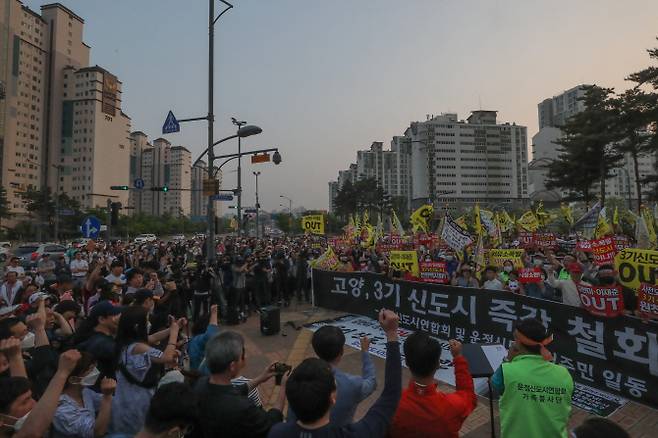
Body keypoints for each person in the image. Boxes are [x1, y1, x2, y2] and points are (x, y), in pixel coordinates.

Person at [268, 309, 401, 438]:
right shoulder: (351, 385)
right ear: (332, 398)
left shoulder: (277, 432)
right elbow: (387, 391)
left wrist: (283, 388)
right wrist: (388, 335)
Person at [491, 318, 574, 438]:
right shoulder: (564, 374)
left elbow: (495, 385)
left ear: (518, 343)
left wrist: (508, 360)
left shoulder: (506, 371)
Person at [108, 306, 182, 437]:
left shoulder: (125, 342)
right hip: (137, 400)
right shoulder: (138, 347)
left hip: (122, 397)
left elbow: (152, 337)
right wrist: (174, 334)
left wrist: (171, 328)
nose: (148, 323)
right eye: (145, 320)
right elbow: (167, 357)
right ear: (137, 326)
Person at [196, 331, 286, 438]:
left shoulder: (201, 384)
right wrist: (284, 387)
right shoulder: (243, 408)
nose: (245, 356)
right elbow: (271, 423)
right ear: (232, 366)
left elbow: (234, 391)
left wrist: (260, 378)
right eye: (242, 354)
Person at [389, 335, 476, 438]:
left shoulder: (391, 404)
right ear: (438, 364)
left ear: (407, 362)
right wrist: (458, 357)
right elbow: (468, 395)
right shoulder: (451, 406)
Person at [287, 326, 376, 426]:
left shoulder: (299, 377)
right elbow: (371, 382)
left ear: (315, 349)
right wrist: (365, 352)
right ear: (341, 351)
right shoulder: (352, 384)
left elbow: (291, 416)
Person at [52, 351, 117, 438]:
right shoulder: (62, 409)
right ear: (74, 380)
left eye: (95, 368)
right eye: (91, 370)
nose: (95, 372)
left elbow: (112, 403)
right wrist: (107, 396)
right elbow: (96, 433)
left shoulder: (84, 392)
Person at [76, 301, 122, 386]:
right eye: (114, 315)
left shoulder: (93, 338)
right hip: (100, 392)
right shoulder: (102, 344)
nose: (118, 319)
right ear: (102, 319)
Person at [188, 304, 219, 371]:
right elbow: (211, 335)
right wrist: (214, 314)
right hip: (203, 375)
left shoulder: (193, 340)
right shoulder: (199, 339)